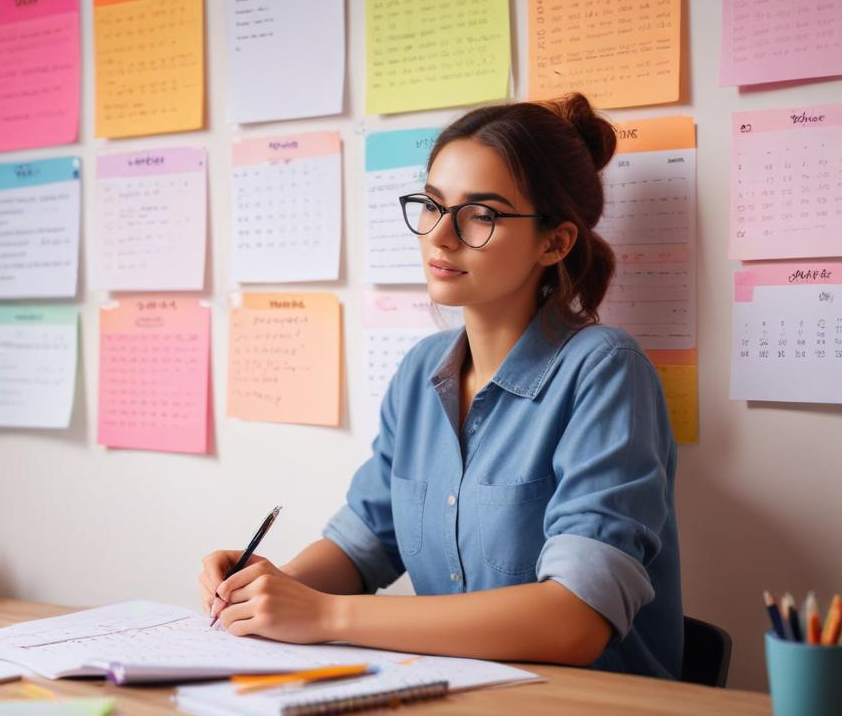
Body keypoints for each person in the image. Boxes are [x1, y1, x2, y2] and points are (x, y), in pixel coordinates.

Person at [199, 93, 682, 679]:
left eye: (482, 214)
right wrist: (267, 588)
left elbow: (574, 618)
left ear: (554, 243)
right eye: (432, 205)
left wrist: (327, 616)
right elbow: (364, 545)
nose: (441, 236)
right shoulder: (421, 373)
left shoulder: (605, 370)